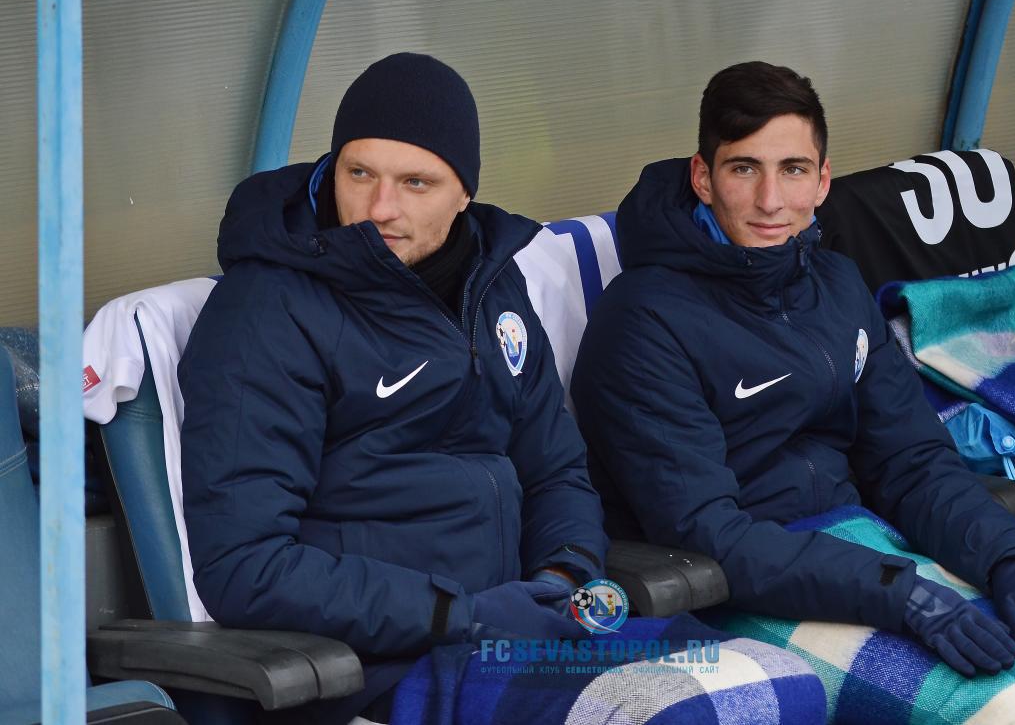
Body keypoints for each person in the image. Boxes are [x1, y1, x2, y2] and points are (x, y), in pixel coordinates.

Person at [180, 54, 824, 725]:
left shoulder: (488, 285)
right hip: (383, 664)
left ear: (464, 193)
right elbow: (245, 565)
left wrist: (564, 575)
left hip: (521, 628)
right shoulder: (267, 314)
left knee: (782, 686)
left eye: (417, 182)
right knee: (686, 713)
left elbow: (556, 470)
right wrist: (464, 615)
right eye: (359, 173)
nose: (379, 208)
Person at [570, 62, 1015, 721]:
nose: (771, 200)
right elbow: (708, 532)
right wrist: (899, 593)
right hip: (735, 595)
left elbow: (912, 462)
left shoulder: (836, 285)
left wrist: (1010, 561)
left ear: (823, 181)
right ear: (703, 177)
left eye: (793, 170)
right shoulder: (642, 320)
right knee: (1009, 707)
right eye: (744, 169)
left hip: (865, 552)